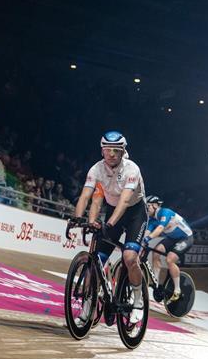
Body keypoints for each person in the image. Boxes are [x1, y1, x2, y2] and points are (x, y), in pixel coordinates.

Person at [69, 131, 147, 326]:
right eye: (107, 150)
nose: (111, 154)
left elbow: (125, 200)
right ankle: (87, 310)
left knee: (129, 257)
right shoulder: (96, 169)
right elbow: (89, 197)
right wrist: (78, 219)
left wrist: (110, 223)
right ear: (102, 151)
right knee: (95, 260)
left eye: (116, 150)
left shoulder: (131, 169)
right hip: (114, 211)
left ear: (122, 151)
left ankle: (138, 301)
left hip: (135, 213)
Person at [143, 195, 194, 303]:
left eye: (148, 206)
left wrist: (148, 238)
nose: (146, 209)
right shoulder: (152, 219)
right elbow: (147, 232)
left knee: (170, 260)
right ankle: (155, 280)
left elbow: (160, 228)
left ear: (156, 206)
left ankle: (177, 290)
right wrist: (142, 239)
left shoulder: (165, 212)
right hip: (172, 238)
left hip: (186, 238)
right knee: (156, 252)